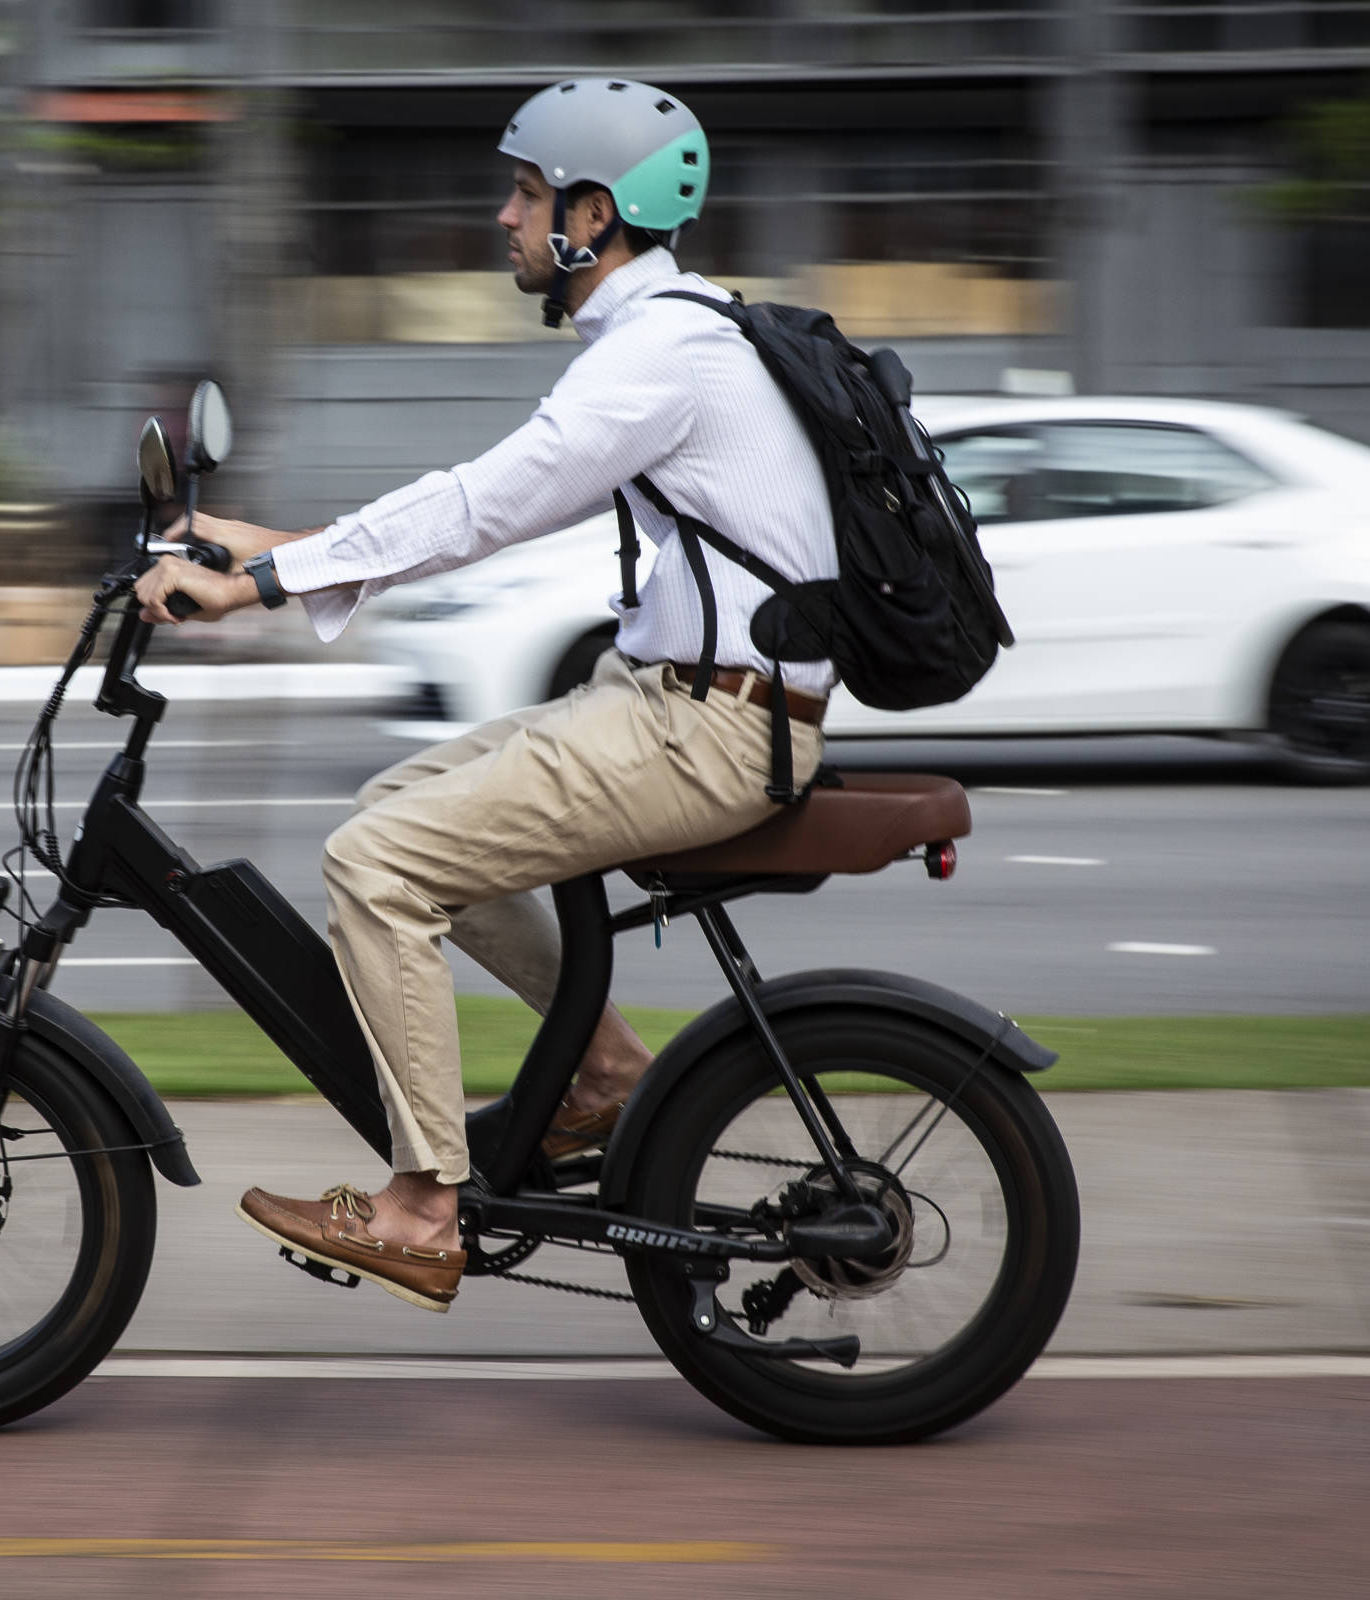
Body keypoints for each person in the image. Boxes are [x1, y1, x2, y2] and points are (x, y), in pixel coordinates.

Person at [133, 79, 838, 1314]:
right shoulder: (661, 337)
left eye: (524, 193)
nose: (502, 216)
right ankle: (606, 1074)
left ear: (595, 214)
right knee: (406, 797)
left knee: (378, 861)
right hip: (666, 697)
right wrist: (262, 549)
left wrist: (266, 585)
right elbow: (479, 503)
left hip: (710, 725)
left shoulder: (662, 353)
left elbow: (482, 505)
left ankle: (420, 1207)